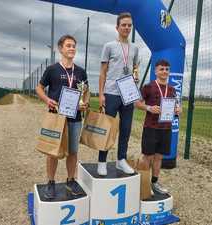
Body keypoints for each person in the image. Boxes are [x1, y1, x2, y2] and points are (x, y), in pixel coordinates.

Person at [36, 35, 89, 199]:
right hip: (56, 118)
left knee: (73, 152)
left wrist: (85, 103)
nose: (72, 48)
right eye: (68, 46)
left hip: (75, 118)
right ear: (60, 49)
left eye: (74, 46)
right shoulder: (52, 69)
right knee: (53, 152)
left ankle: (70, 180)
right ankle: (50, 183)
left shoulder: (80, 71)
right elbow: (39, 88)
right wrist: (47, 99)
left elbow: (86, 91)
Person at [97, 12, 139, 176]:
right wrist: (101, 94)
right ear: (117, 27)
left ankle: (121, 160)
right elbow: (102, 72)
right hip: (112, 92)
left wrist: (135, 85)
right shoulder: (109, 46)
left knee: (126, 128)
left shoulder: (135, 48)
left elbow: (135, 70)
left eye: (129, 25)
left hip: (127, 94)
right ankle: (102, 161)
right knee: (107, 128)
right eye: (124, 25)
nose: (127, 28)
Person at [135, 59, 181, 194]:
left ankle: (154, 183)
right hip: (151, 128)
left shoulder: (172, 89)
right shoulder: (148, 87)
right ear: (156, 71)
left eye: (167, 69)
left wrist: (179, 110)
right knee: (147, 157)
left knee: (159, 157)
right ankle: (143, 183)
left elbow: (178, 105)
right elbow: (137, 103)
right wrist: (148, 107)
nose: (164, 71)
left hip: (166, 128)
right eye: (161, 69)